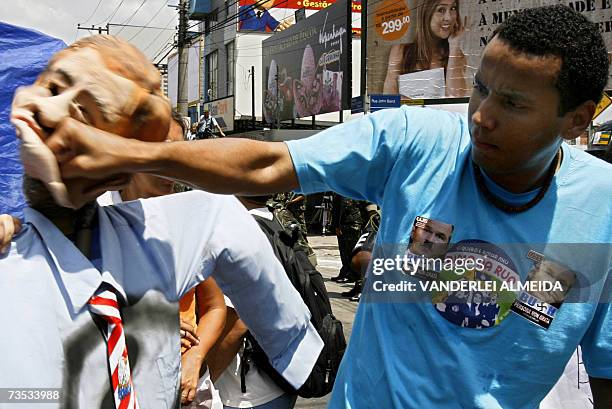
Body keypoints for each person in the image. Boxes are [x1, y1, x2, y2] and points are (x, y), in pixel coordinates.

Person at [21, 6, 612, 408]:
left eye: (511, 103)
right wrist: (115, 151)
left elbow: (605, 370)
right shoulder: (417, 142)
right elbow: (267, 165)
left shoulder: (604, 212)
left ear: (579, 118)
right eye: (480, 87)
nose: (481, 115)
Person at [1, 35, 322, 408]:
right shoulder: (12, 265)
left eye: (84, 114)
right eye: (52, 88)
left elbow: (240, 197)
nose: (48, 112)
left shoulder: (171, 230)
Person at [98, 111, 227, 408]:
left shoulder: (189, 219)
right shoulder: (93, 220)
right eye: (162, 148)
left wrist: (196, 357)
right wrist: (153, 324)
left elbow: (214, 306)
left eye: (179, 151)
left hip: (186, 391)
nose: (172, 165)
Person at [382, 0, 468, 97]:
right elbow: (388, 99)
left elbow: (456, 98)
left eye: (453, 8)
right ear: (426, 14)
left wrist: (454, 45)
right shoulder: (400, 51)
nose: (449, 17)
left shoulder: (456, 55)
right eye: (441, 10)